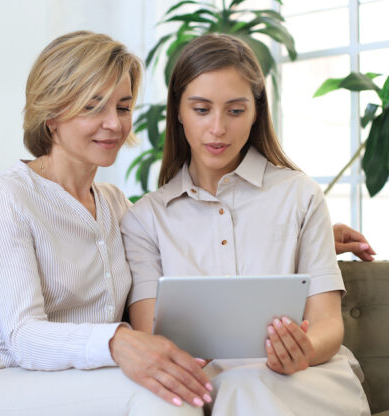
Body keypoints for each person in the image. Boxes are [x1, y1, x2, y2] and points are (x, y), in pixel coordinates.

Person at [0, 31, 213, 416]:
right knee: (170, 401)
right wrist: (119, 342)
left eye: (122, 107)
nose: (114, 125)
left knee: (206, 384)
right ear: (51, 115)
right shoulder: (8, 196)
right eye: (93, 107)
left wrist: (317, 240)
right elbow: (23, 337)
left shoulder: (117, 205)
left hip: (85, 376)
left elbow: (192, 248)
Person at [121, 33, 372, 415]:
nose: (218, 128)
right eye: (201, 109)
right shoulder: (145, 220)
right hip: (202, 389)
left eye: (235, 111)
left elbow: (327, 325)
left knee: (243, 389)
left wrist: (302, 352)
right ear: (178, 112)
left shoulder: (300, 196)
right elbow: (153, 339)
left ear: (256, 113)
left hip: (301, 383)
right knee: (234, 389)